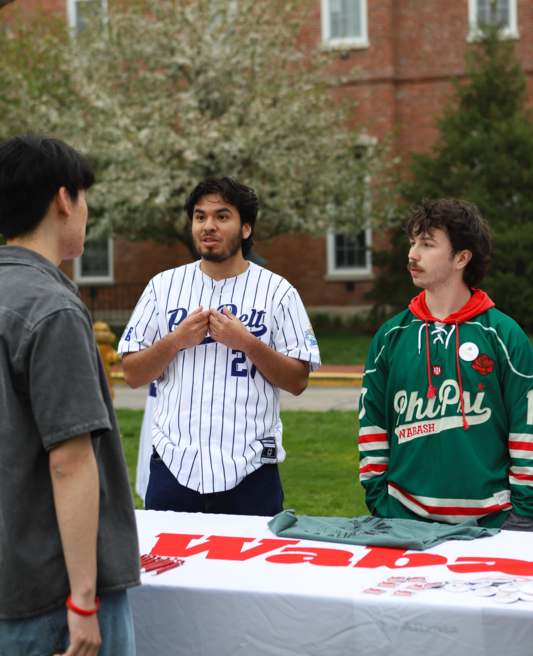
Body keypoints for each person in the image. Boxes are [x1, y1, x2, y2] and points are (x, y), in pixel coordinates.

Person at [0, 135, 140, 656]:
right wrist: (83, 601)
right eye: (84, 198)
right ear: (64, 200)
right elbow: (71, 461)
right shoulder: (52, 310)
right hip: (50, 595)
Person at [119, 177, 320, 515]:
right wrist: (174, 341)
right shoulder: (163, 287)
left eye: (222, 216)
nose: (208, 226)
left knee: (249, 569)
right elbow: (132, 373)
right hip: (173, 466)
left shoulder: (278, 292)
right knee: (168, 567)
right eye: (200, 217)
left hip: (251, 470)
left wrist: (248, 344)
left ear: (245, 228)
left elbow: (297, 381)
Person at [359, 198, 533, 530]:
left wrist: (522, 512)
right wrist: (381, 502)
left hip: (493, 521)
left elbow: (527, 430)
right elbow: (372, 426)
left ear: (461, 258)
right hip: (403, 518)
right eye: (412, 242)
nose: (412, 254)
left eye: (426, 244)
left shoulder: (504, 336)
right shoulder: (389, 337)